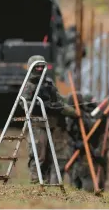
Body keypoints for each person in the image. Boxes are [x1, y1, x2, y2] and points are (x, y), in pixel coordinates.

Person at [21, 55, 79, 184]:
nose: (40, 69)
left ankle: (46, 180)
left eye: (42, 66)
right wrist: (40, 105)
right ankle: (36, 180)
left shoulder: (49, 83)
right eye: (37, 67)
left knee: (49, 156)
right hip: (37, 124)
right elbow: (23, 103)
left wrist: (63, 109)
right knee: (38, 154)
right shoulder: (28, 85)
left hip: (51, 124)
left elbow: (59, 101)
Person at [66, 92, 109, 192]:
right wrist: (75, 143)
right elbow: (67, 135)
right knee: (76, 180)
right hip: (74, 155)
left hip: (85, 154)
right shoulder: (68, 117)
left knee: (87, 184)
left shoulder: (83, 116)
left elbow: (92, 129)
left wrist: (103, 120)